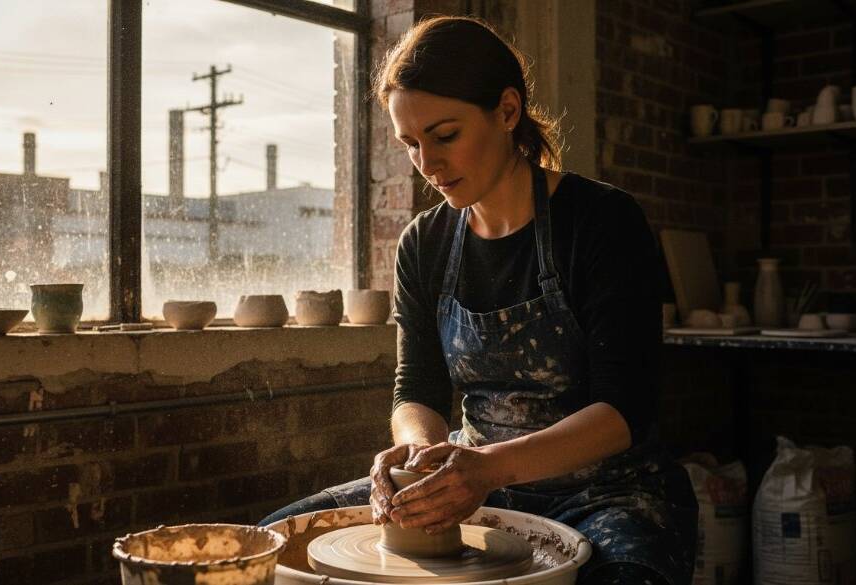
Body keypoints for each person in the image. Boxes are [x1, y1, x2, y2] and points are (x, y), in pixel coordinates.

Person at [260, 15, 697, 585]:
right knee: (262, 549)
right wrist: (422, 458)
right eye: (410, 144)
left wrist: (484, 469)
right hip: (476, 479)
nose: (428, 164)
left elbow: (623, 413)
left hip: (609, 492)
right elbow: (416, 389)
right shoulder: (425, 242)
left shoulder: (602, 222)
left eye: (445, 136)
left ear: (508, 111)